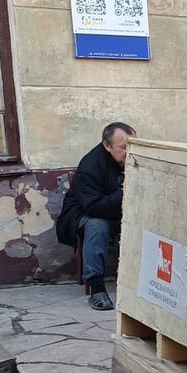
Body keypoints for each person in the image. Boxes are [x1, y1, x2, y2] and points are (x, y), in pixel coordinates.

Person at [55, 122, 136, 311]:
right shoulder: (91, 164)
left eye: (133, 147)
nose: (130, 153)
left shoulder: (134, 161)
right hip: (83, 214)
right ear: (107, 146)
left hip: (117, 212)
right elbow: (94, 207)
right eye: (124, 148)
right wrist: (124, 191)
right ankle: (97, 288)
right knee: (97, 226)